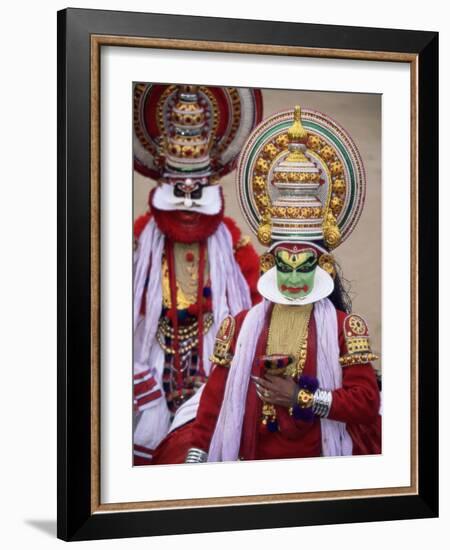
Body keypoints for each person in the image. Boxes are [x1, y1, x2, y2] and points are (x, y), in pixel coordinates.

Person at [151, 105, 381, 464]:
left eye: (302, 266)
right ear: (270, 265)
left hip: (320, 462)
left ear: (322, 265)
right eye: (283, 266)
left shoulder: (344, 329)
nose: (291, 279)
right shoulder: (240, 327)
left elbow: (367, 403)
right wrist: (196, 457)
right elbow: (214, 402)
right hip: (253, 462)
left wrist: (303, 399)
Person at [132, 84, 263, 464]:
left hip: (211, 375)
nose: (188, 201)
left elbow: (255, 314)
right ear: (162, 183)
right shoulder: (140, 240)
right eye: (178, 190)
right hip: (145, 372)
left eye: (197, 190)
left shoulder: (232, 243)